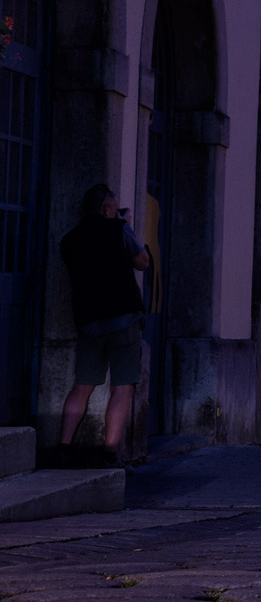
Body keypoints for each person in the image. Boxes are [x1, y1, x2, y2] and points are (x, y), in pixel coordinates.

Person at [59, 184, 150, 466]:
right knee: (122, 387)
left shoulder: (70, 239)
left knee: (82, 385)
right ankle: (110, 452)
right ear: (108, 209)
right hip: (124, 319)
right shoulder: (119, 230)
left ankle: (63, 446)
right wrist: (126, 226)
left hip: (89, 323)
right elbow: (142, 262)